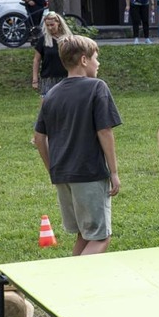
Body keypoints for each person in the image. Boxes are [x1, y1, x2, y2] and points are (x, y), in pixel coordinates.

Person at [33, 36, 121, 255]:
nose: (98, 63)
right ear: (83, 60)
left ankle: (71, 275)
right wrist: (114, 172)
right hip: (89, 173)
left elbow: (39, 136)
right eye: (95, 58)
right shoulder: (97, 87)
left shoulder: (52, 94)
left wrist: (52, 168)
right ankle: (77, 277)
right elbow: (104, 131)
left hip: (63, 175)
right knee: (100, 237)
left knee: (84, 234)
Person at [31, 12, 73, 129]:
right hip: (48, 78)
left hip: (66, 77)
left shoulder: (68, 40)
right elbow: (36, 60)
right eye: (47, 25)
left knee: (66, 103)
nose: (50, 28)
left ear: (58, 23)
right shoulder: (43, 40)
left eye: (52, 25)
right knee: (45, 104)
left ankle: (66, 127)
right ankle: (41, 130)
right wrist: (35, 79)